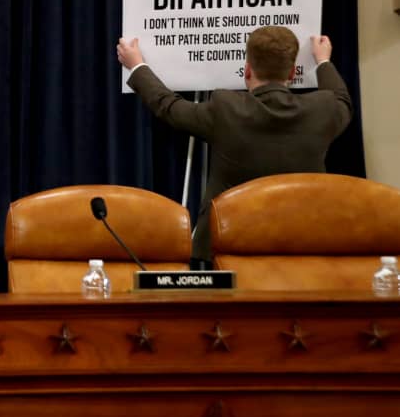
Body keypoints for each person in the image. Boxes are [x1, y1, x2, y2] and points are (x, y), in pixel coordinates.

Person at [117, 26, 353, 263]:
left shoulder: (225, 109)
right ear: (292, 72)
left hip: (224, 251)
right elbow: (342, 99)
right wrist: (323, 61)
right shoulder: (323, 110)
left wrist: (137, 66)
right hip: (299, 250)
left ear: (247, 70)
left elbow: (169, 107)